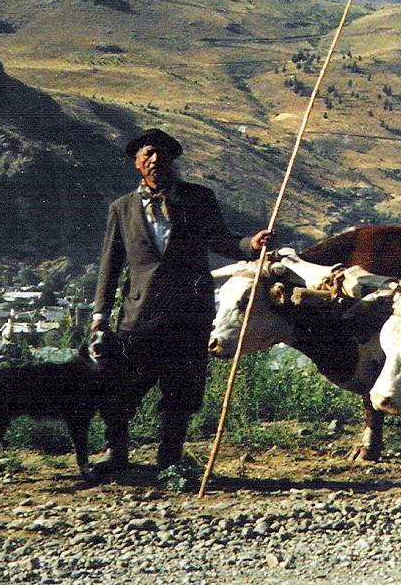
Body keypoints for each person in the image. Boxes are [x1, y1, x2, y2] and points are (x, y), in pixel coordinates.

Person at [90, 129, 272, 477]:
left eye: (162, 156)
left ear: (172, 161)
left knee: (181, 392)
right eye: (148, 156)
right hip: (138, 316)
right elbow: (109, 265)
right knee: (120, 387)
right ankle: (116, 456)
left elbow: (221, 240)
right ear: (137, 163)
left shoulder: (198, 199)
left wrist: (252, 243)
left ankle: (169, 460)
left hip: (189, 314)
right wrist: (100, 314)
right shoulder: (122, 209)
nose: (156, 161)